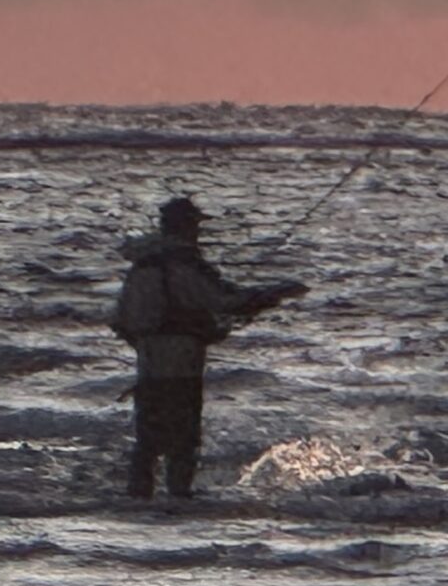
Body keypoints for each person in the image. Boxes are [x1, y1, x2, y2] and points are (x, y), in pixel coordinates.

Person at [110, 196, 305, 499]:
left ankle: (139, 499)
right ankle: (178, 498)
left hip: (148, 364)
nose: (196, 232)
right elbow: (226, 301)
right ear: (185, 227)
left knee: (147, 440)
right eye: (193, 225)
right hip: (182, 364)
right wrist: (271, 296)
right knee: (184, 438)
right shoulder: (185, 266)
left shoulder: (140, 267)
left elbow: (120, 320)